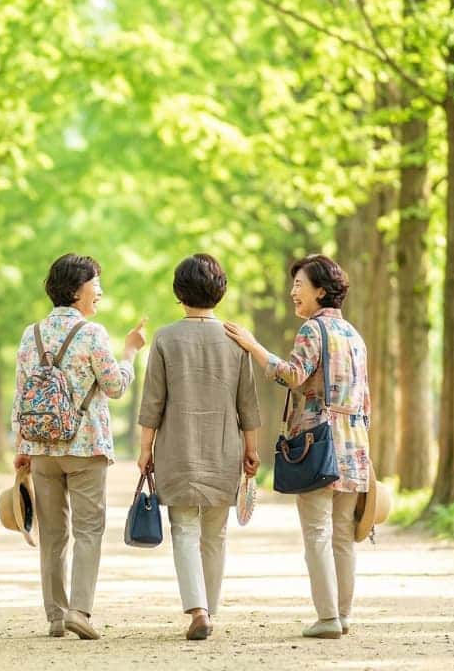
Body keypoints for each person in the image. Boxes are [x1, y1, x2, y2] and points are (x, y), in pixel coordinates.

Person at [224, 254, 371, 640]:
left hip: (317, 441)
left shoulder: (312, 330)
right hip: (354, 442)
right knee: (342, 535)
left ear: (321, 291)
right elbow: (365, 398)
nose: (293, 292)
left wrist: (255, 347)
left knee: (318, 533)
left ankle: (327, 618)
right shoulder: (355, 335)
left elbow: (293, 375)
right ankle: (342, 613)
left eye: (299, 285)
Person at [12, 253, 146, 640]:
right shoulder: (93, 334)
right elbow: (116, 387)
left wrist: (21, 445)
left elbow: (21, 395)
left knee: (53, 534)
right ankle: (80, 611)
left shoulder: (30, 334)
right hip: (85, 447)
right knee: (88, 530)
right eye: (95, 285)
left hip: (41, 448)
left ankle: (56, 615)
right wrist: (130, 352)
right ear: (76, 291)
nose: (100, 291)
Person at [137, 253, 261, 641]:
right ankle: (211, 607)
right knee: (216, 533)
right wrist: (251, 449)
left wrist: (145, 450)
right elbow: (248, 404)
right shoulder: (237, 340)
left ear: (179, 293)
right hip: (224, 447)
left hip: (177, 448)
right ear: (220, 292)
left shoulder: (165, 338)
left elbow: (152, 402)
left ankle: (198, 609)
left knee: (184, 529)